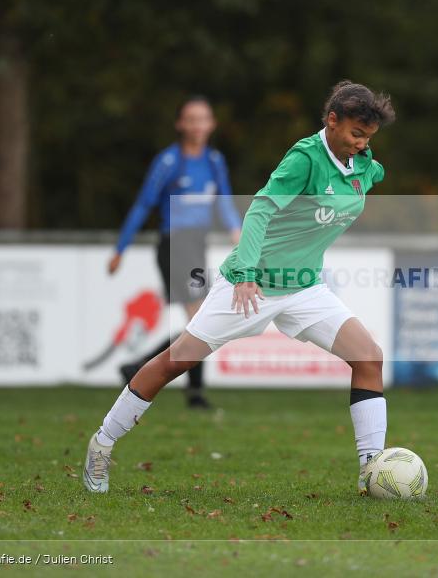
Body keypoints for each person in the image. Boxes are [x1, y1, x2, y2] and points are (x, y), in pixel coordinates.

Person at [84, 80, 396, 495]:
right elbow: (262, 208)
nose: (361, 144)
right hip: (249, 287)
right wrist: (246, 271)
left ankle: (370, 471)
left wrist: (364, 163)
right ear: (332, 120)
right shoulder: (305, 159)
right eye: (356, 134)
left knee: (369, 356)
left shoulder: (362, 164)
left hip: (304, 289)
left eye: (368, 138)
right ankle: (102, 445)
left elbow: (369, 173)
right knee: (177, 361)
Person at [109, 96, 242, 409]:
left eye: (203, 119)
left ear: (211, 124)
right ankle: (186, 389)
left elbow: (223, 199)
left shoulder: (214, 160)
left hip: (196, 244)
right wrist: (120, 248)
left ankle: (142, 369)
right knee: (203, 320)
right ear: (181, 125)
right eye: (191, 119)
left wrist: (237, 231)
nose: (197, 125)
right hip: (174, 245)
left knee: (203, 321)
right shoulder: (169, 161)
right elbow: (144, 203)